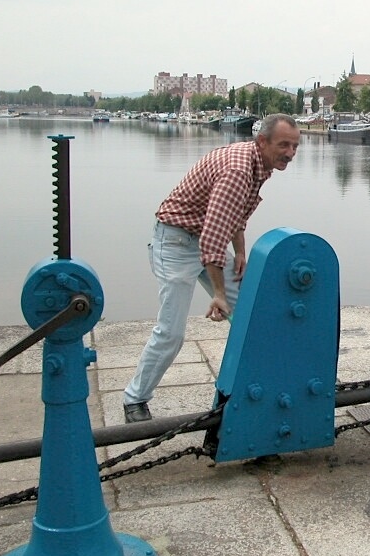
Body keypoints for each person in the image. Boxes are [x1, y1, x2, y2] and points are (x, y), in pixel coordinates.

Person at [123, 113, 301, 423]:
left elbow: (233, 214)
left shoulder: (259, 164)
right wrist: (219, 293)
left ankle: (268, 381)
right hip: (176, 243)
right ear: (262, 141)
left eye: (295, 146)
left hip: (202, 239)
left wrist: (242, 250)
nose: (290, 153)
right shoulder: (238, 170)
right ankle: (134, 399)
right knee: (171, 332)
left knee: (251, 310)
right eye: (284, 145)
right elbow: (213, 236)